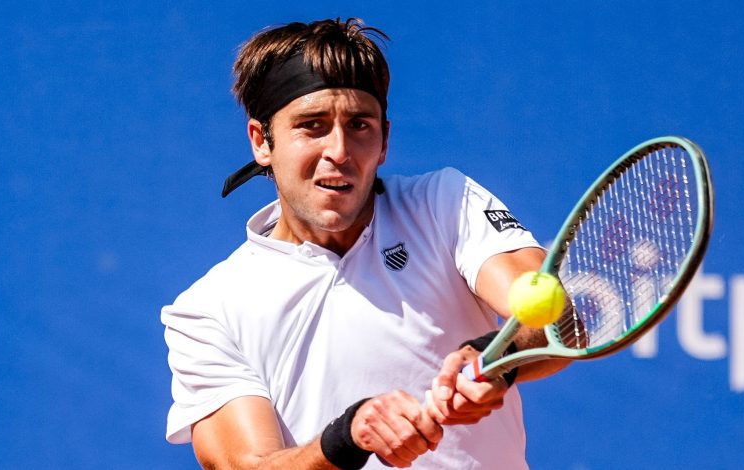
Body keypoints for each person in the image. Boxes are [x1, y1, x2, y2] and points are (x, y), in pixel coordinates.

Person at [162, 18, 570, 469]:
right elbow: (246, 464)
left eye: (359, 125)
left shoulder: (445, 204)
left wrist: (496, 359)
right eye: (312, 126)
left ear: (384, 141)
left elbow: (558, 317)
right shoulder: (207, 310)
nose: (339, 150)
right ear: (262, 142)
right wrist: (347, 437)